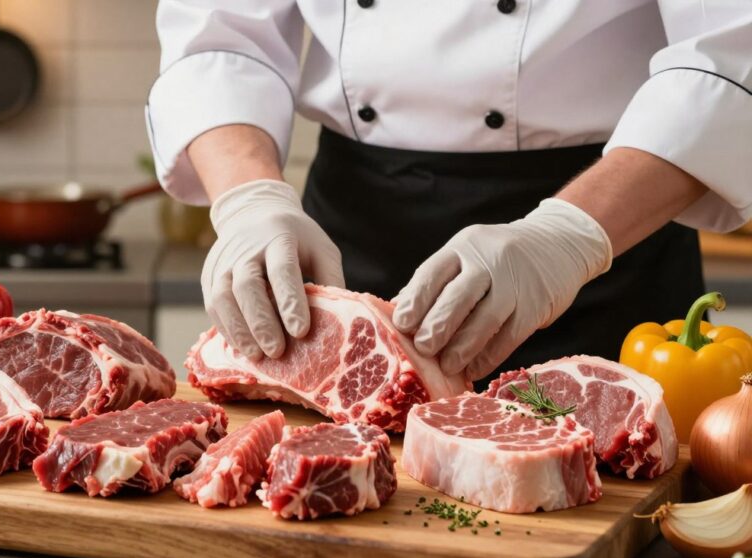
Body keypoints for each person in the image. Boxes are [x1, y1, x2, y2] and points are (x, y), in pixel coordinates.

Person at [145, 1, 752, 381]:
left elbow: (730, 53)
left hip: (605, 240)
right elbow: (221, 37)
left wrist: (566, 238)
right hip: (349, 243)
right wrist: (250, 198)